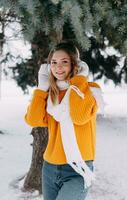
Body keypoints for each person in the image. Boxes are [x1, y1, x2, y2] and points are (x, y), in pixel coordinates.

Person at [25, 41, 104, 200]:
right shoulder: (50, 95)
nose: (58, 67)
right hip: (50, 168)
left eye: (64, 62)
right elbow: (33, 120)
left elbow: (79, 117)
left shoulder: (89, 90)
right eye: (54, 62)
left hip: (77, 169)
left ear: (75, 64)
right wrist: (42, 88)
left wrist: (79, 78)